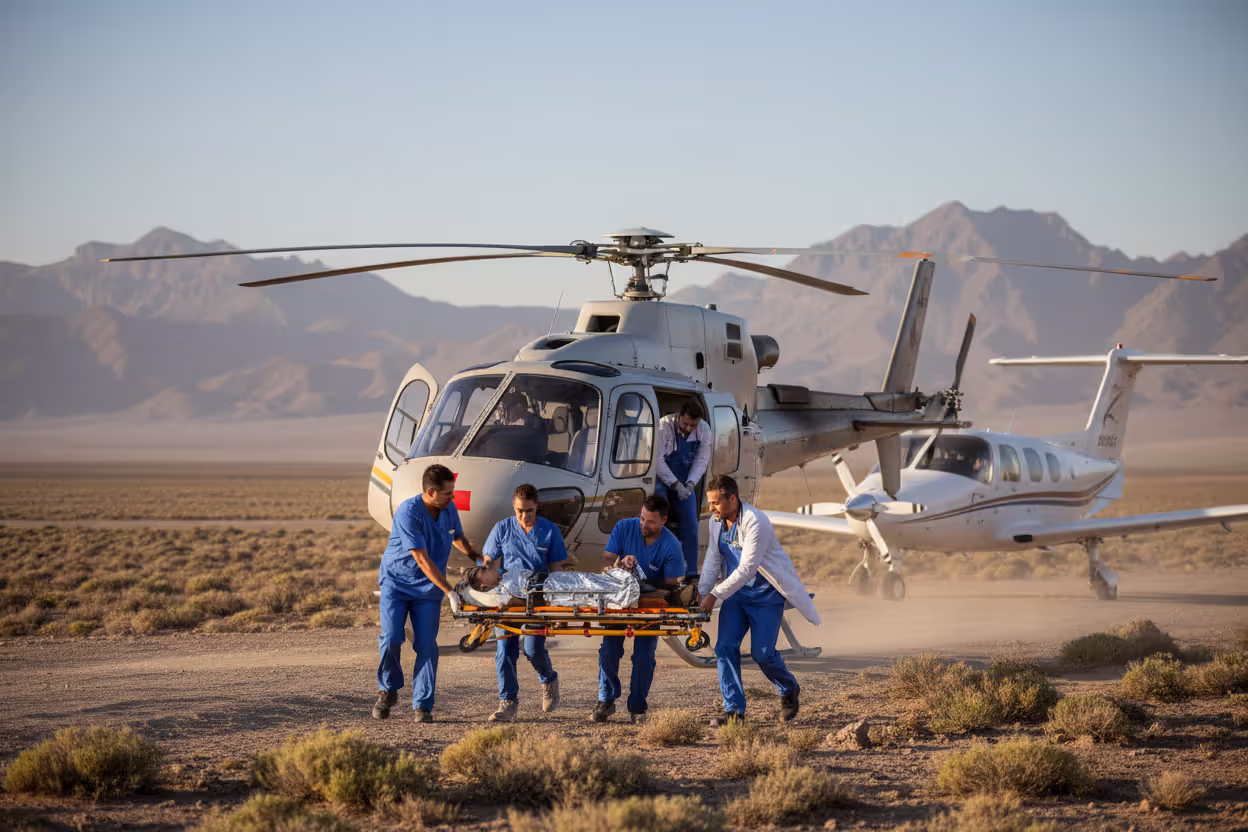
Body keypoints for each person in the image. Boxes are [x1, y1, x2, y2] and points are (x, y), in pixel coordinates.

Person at [699, 474, 820, 725]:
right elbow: (713, 559)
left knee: (763, 654)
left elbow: (747, 569)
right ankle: (734, 712)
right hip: (736, 596)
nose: (711, 509)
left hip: (766, 596)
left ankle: (788, 688)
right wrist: (701, 593)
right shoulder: (715, 522)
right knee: (724, 647)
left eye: (716, 503)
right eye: (710, 503)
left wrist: (714, 595)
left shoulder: (756, 521)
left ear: (733, 499)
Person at [373, 464, 478, 723]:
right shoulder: (408, 512)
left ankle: (422, 705)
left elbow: (458, 537)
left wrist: (477, 557)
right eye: (446, 494)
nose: (452, 498)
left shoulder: (448, 508)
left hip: (428, 590)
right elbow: (421, 558)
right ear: (430, 492)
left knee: (427, 646)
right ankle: (388, 690)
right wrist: (449, 591)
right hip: (397, 584)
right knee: (392, 639)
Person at [480, 483, 569, 722]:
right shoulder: (502, 529)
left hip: (537, 599)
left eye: (529, 510)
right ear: (513, 507)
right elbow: (489, 560)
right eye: (520, 510)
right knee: (505, 651)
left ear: (537, 507)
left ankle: (548, 679)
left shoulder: (550, 531)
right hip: (508, 599)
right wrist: (484, 581)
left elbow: (557, 570)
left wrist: (557, 604)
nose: (525, 516)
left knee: (533, 650)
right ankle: (507, 702)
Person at [593, 495, 685, 723]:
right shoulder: (624, 527)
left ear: (664, 520)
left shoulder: (671, 546)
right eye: (642, 518)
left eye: (651, 522)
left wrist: (643, 585)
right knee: (608, 652)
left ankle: (637, 707)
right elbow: (604, 562)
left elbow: (671, 589)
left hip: (649, 606)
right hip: (619, 601)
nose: (644, 525)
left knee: (644, 657)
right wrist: (618, 566)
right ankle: (606, 700)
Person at [655, 399, 712, 579]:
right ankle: (656, 569)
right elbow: (658, 461)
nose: (688, 428)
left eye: (693, 425)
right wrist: (675, 484)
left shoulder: (704, 430)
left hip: (686, 480)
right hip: (663, 480)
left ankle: (691, 573)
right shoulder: (664, 426)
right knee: (658, 520)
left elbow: (701, 460)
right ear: (679, 417)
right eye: (685, 423)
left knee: (691, 523)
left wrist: (690, 484)